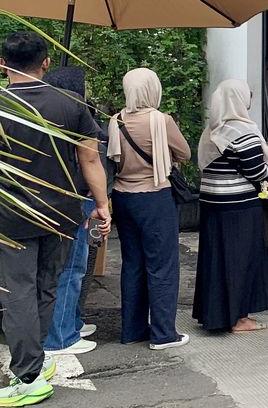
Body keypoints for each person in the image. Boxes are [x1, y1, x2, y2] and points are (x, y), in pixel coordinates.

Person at [0, 33, 111, 405]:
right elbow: (90, 160)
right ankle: (38, 361)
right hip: (62, 213)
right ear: (46, 62)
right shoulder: (72, 105)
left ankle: (29, 376)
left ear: (3, 64)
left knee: (17, 293)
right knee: (47, 286)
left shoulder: (2, 105)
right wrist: (102, 205)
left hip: (11, 215)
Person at [108, 68, 192, 349]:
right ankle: (163, 333)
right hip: (155, 197)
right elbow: (185, 153)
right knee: (162, 265)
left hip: (122, 197)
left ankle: (132, 330)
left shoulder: (116, 120)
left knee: (132, 263)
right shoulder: (160, 120)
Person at [193, 79, 268, 332]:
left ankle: (215, 314)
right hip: (238, 205)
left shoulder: (212, 131)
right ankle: (240, 317)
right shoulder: (242, 131)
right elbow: (256, 170)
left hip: (211, 203)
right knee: (241, 260)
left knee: (216, 259)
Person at [41, 67, 104, 357]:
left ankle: (71, 324)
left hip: (54, 201)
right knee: (71, 268)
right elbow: (90, 158)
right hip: (76, 201)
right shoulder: (75, 117)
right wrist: (103, 202)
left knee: (63, 268)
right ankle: (60, 336)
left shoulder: (42, 117)